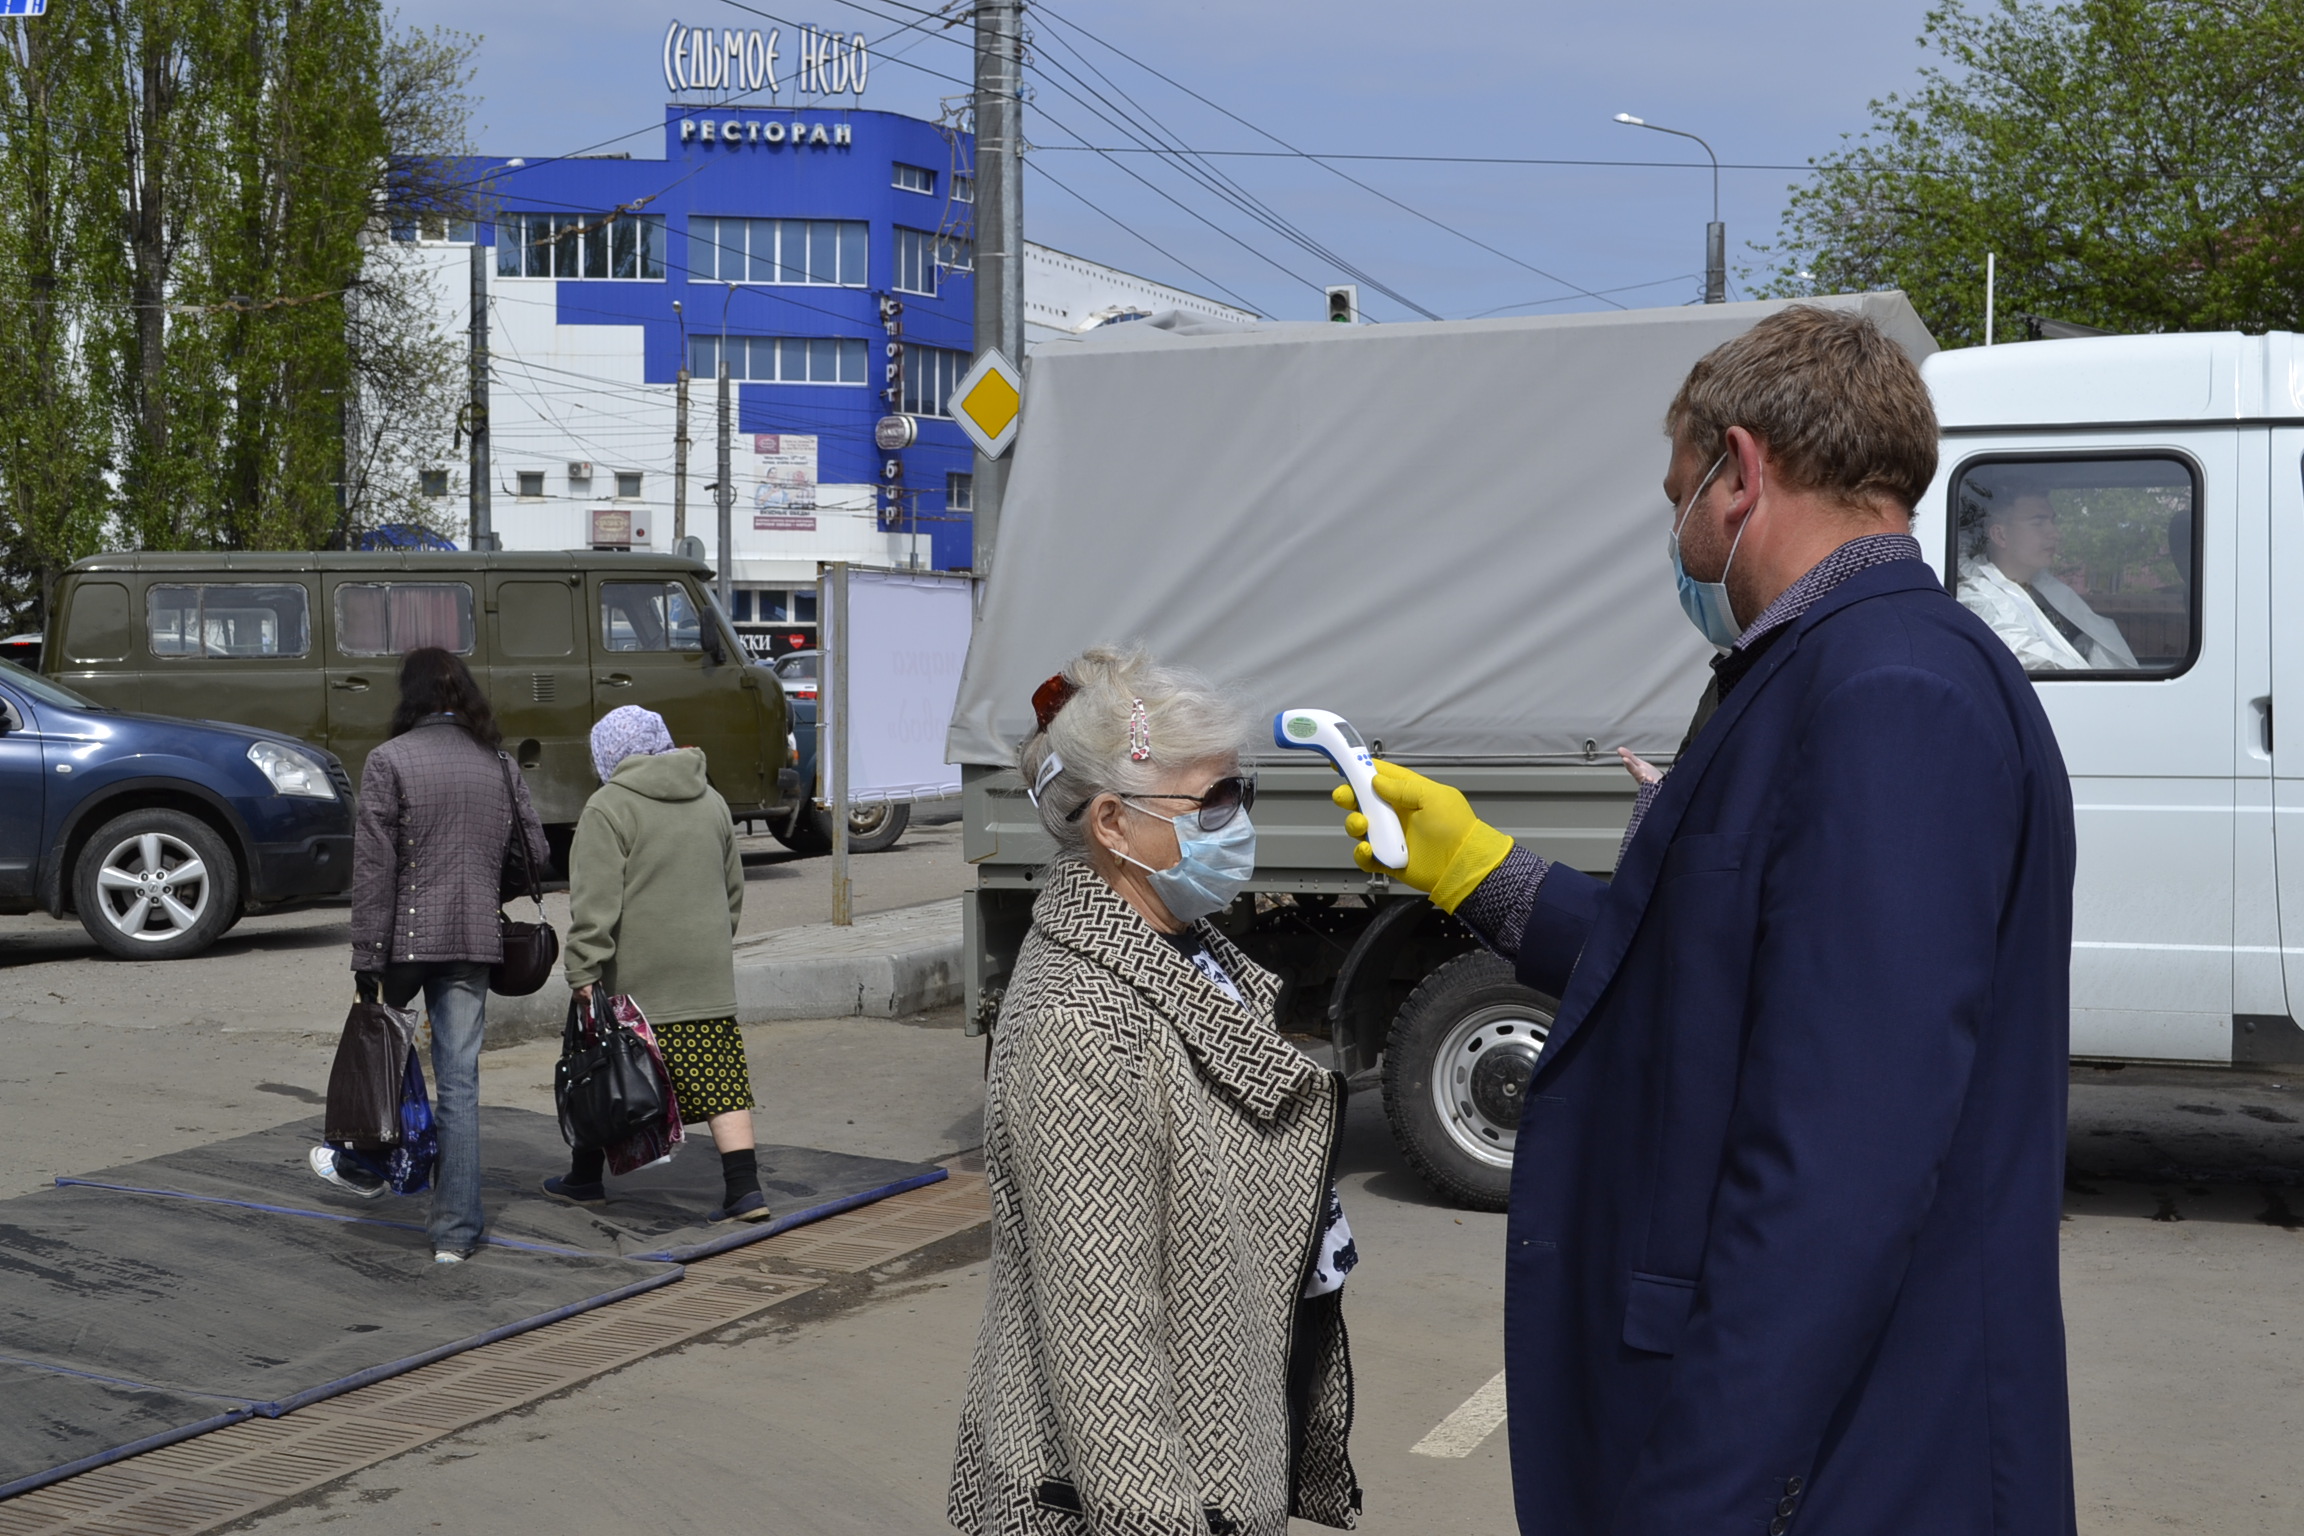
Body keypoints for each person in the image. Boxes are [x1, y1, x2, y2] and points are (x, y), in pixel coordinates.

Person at [1334, 307, 2078, 1535]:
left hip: (1849, 1469)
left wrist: (1696, 1498)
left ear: (1740, 472)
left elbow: (1839, 1173)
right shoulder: (1828, 665)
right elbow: (1702, 966)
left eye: (1676, 492)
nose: (1674, 533)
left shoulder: (1889, 690)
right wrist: (1470, 867)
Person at [949, 647, 1360, 1536]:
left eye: (1239, 794)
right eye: (1210, 802)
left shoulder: (1192, 952)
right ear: (1113, 824)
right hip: (1140, 1496)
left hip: (1223, 1448)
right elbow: (1103, 1343)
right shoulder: (1079, 1023)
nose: (1236, 821)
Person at [312, 646, 549, 1265]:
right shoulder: (498, 764)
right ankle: (455, 1235)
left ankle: (365, 1164)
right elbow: (536, 854)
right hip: (473, 941)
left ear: (409, 696)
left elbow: (374, 869)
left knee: (379, 1058)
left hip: (405, 942)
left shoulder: (390, 760)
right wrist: (482, 888)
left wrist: (368, 953)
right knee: (461, 1084)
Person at [545, 706, 764, 1222]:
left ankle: (584, 1178)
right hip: (705, 972)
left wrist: (583, 969)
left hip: (635, 980)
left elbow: (594, 903)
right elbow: (733, 891)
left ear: (608, 755)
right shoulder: (711, 800)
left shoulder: (607, 808)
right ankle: (745, 1189)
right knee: (720, 1078)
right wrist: (710, 945)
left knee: (600, 1068)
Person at [1955, 489, 2139, 669]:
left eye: (2052, 521)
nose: (2055, 533)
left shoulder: (2042, 589)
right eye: (2038, 522)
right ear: (2000, 535)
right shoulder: (1979, 601)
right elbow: (2030, 662)